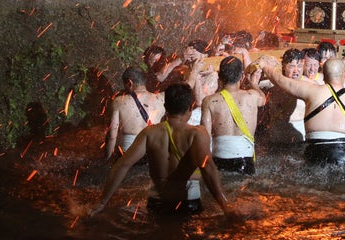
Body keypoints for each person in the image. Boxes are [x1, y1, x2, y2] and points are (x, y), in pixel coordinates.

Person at [91, 83, 237, 217]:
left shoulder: (149, 133)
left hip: (156, 203)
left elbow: (122, 165)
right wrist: (227, 208)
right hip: (188, 204)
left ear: (166, 107)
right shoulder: (197, 133)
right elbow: (209, 169)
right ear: (190, 107)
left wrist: (101, 203)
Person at [257, 55, 345, 170]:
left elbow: (283, 81)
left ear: (324, 76)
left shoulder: (311, 91)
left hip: (315, 156)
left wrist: (265, 67)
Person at [201, 56, 266, 174]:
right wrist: (254, 84)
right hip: (245, 161)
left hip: (219, 160)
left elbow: (204, 137)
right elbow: (263, 99)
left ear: (219, 76)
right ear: (241, 76)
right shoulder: (253, 96)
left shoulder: (209, 101)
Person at [104, 66, 165, 160]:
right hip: (153, 155)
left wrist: (106, 159)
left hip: (128, 155)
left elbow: (112, 135)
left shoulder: (119, 101)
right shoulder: (161, 99)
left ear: (129, 83)